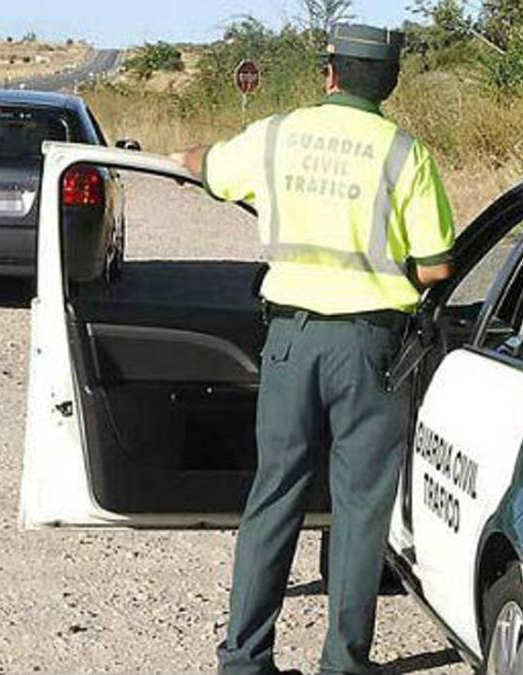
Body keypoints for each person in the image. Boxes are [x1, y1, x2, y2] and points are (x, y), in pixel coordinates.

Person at [171, 23, 456, 675]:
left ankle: (244, 658)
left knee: (275, 495)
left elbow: (205, 166)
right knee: (360, 509)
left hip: (291, 340)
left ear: (328, 73)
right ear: (389, 81)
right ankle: (344, 660)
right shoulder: (405, 154)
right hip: (373, 347)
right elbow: (437, 266)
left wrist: (184, 159)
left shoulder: (275, 134)